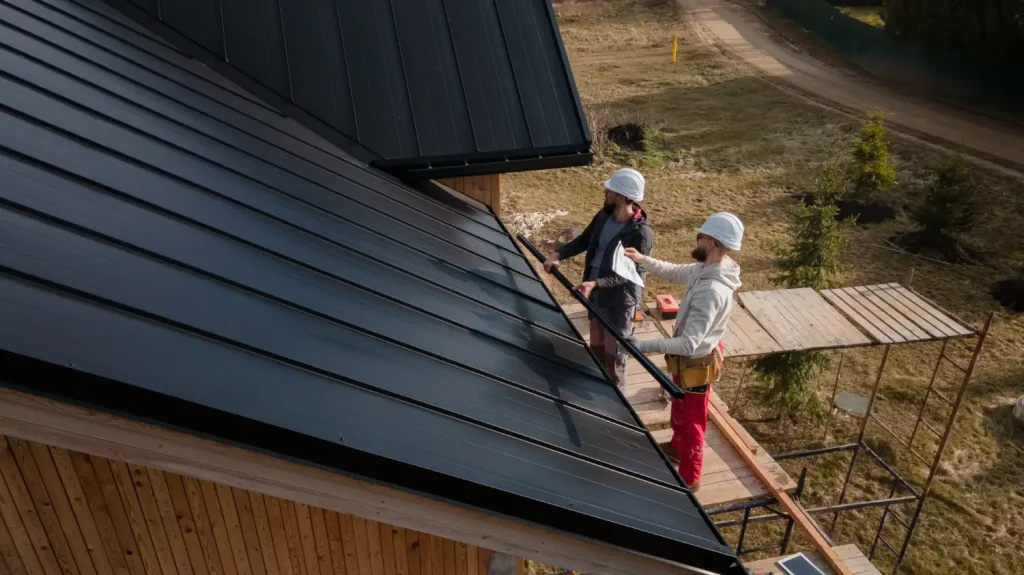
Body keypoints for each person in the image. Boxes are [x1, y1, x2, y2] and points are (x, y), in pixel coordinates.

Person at [623, 212, 743, 491]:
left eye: (700, 236)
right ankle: (677, 448)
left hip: (696, 362)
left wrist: (643, 345)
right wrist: (643, 260)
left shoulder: (712, 290)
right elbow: (677, 271)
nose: (696, 238)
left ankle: (690, 477)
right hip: (688, 360)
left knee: (692, 423)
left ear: (711, 243)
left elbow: (690, 343)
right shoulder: (708, 267)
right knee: (679, 406)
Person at [543, 168, 653, 392]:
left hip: (620, 301)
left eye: (609, 189)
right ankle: (597, 391)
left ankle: (618, 402)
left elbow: (628, 275)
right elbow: (584, 240)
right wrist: (557, 254)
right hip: (595, 294)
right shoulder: (603, 217)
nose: (605, 191)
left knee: (616, 355)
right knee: (597, 348)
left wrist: (596, 283)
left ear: (621, 197)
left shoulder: (640, 234)